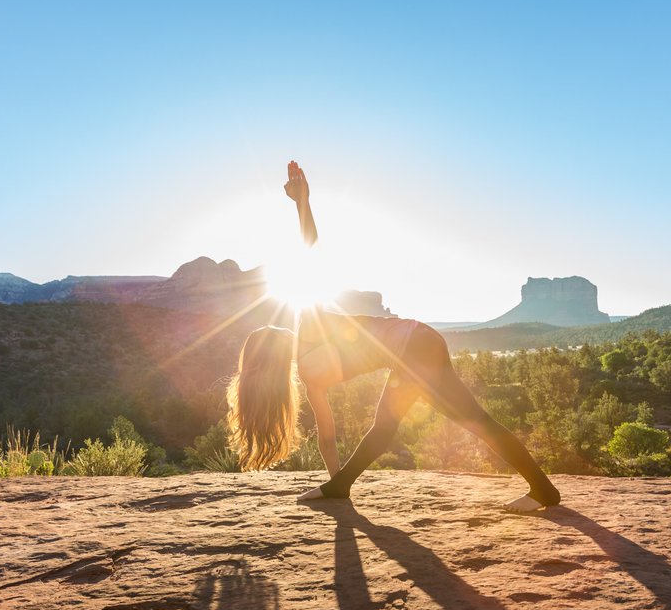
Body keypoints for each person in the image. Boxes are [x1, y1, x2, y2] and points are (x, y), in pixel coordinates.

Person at [225, 161, 560, 512]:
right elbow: (327, 437)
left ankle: (542, 490)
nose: (276, 326)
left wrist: (302, 203)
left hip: (414, 347)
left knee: (438, 423)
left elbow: (328, 438)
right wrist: (301, 202)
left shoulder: (310, 359)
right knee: (421, 425)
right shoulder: (308, 336)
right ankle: (543, 490)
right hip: (416, 344)